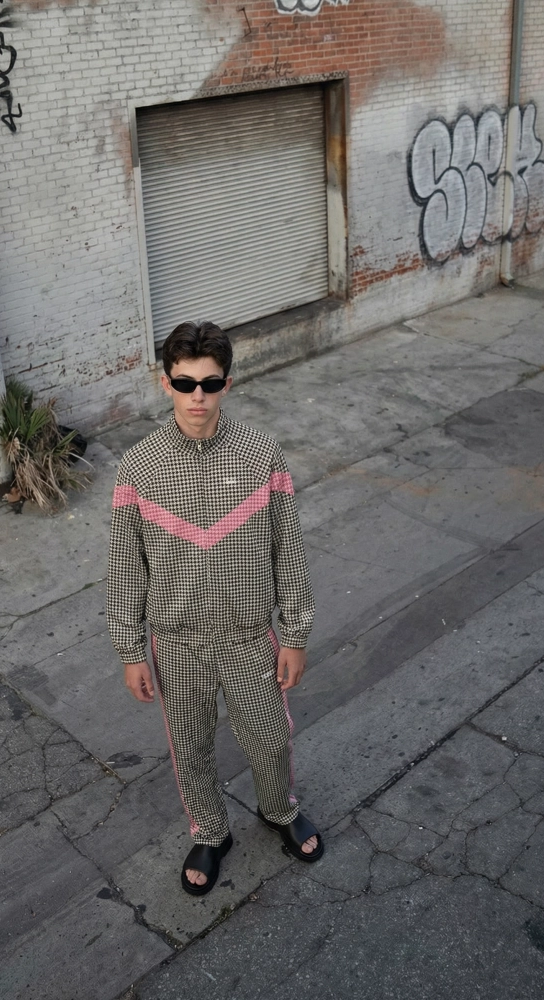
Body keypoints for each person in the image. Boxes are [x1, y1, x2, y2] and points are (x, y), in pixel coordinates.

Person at [106, 321, 322, 895]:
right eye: (184, 383)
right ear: (166, 384)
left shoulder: (262, 455)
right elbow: (126, 567)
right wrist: (131, 651)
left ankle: (279, 810)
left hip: (250, 637)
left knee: (270, 737)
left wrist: (295, 634)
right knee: (190, 747)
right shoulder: (138, 467)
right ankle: (210, 831)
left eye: (209, 382)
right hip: (178, 644)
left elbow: (289, 550)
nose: (196, 395)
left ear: (227, 383)